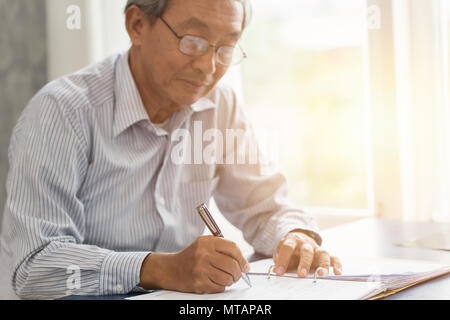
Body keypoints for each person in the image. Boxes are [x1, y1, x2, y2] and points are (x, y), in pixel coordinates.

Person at [0, 0, 342, 299]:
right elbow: (34, 264)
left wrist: (293, 236)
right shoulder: (62, 112)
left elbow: (264, 207)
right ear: (137, 25)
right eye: (193, 42)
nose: (208, 68)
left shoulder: (219, 103)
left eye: (225, 48)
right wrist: (158, 269)